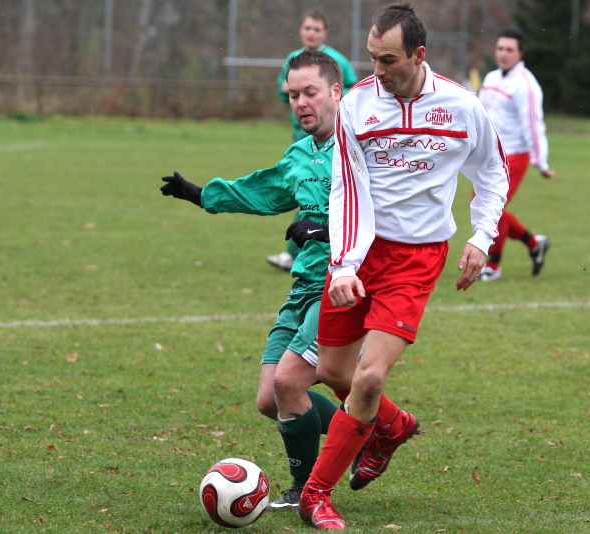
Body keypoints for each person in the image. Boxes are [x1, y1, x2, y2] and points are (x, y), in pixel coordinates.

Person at [295, 4, 509, 530]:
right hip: (361, 254)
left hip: (417, 258)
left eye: (388, 60)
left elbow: (493, 173)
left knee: (369, 377)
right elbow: (346, 187)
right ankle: (392, 428)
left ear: (418, 55)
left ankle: (316, 495)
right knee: (334, 373)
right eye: (372, 58)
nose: (378, 70)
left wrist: (481, 238)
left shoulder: (462, 106)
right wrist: (345, 265)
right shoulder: (356, 105)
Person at [160, 51, 343, 511]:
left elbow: (385, 213)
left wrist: (326, 230)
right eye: (293, 95)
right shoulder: (301, 154)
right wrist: (203, 195)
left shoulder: (360, 149)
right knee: (268, 399)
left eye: (310, 92)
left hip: (341, 284)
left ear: (336, 91)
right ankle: (362, 431)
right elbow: (263, 189)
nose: (300, 103)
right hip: (303, 285)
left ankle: (306, 489)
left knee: (288, 385)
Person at [267, 9, 359, 273]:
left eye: (316, 29)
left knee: (314, 194)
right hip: (301, 134)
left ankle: (299, 252)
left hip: (329, 133)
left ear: (325, 33)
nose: (311, 33)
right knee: (307, 192)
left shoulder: (336, 60)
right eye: (307, 28)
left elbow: (352, 89)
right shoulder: (293, 59)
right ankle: (315, 250)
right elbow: (283, 91)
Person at [477, 27, 555, 281]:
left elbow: (533, 124)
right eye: (500, 48)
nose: (503, 53)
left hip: (513, 156)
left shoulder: (526, 85)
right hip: (489, 155)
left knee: (492, 208)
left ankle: (492, 266)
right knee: (484, 208)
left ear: (520, 54)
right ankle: (534, 244)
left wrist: (541, 162)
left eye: (509, 49)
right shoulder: (491, 78)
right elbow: (480, 116)